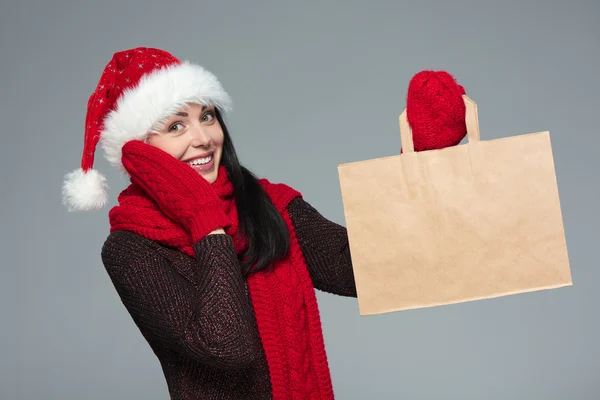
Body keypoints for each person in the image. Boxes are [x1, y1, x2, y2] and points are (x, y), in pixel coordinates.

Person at [62, 47, 467, 399]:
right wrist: (204, 216)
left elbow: (366, 269)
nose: (204, 138)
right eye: (175, 126)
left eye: (207, 116)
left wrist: (422, 162)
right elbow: (228, 347)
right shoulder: (130, 249)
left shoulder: (267, 204)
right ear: (138, 153)